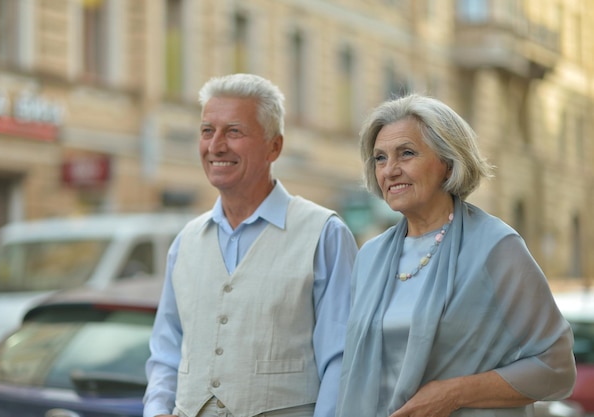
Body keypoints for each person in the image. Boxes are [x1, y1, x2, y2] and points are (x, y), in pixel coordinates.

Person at [336, 94, 576, 417]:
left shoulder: (497, 247)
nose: (390, 170)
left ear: (447, 162)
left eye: (406, 153)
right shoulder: (370, 257)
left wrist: (453, 394)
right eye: (380, 158)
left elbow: (556, 367)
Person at [143, 73, 358, 417]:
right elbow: (166, 351)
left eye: (233, 131)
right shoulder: (186, 242)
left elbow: (342, 358)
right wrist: (156, 410)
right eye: (207, 131)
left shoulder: (324, 234)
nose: (215, 146)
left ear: (275, 146)